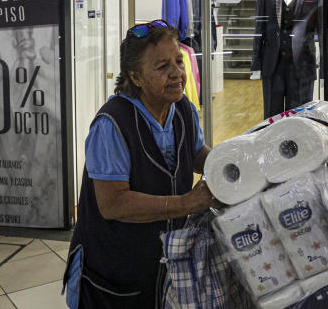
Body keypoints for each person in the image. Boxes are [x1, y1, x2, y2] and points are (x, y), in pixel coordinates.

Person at [64, 20, 217, 308]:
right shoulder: (112, 124)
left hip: (160, 266)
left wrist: (232, 166)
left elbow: (195, 154)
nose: (177, 74)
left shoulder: (181, 108)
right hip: (112, 277)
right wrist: (187, 203)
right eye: (162, 67)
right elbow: (113, 204)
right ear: (135, 77)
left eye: (179, 61)